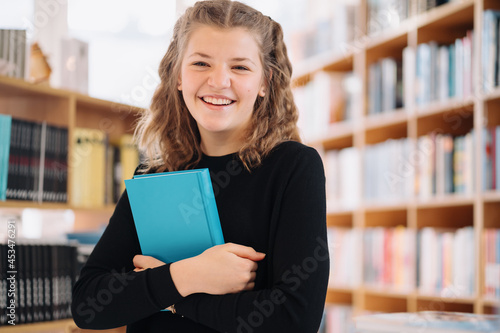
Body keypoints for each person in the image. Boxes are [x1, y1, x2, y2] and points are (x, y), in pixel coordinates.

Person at [71, 0, 329, 332]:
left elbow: (294, 319)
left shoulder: (293, 167)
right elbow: (88, 305)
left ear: (265, 83)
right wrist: (189, 274)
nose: (219, 81)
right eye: (201, 63)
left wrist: (173, 296)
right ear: (178, 76)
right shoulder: (154, 176)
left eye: (240, 67)